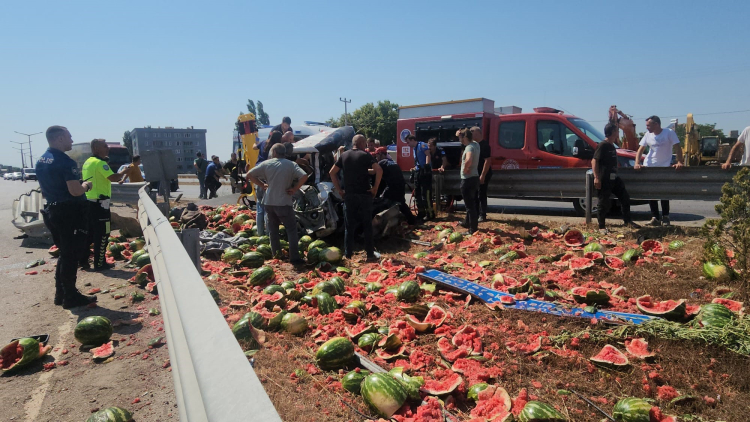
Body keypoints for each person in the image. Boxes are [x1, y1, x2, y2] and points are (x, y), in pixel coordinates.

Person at [36, 126, 97, 308]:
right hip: (70, 213)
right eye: (69, 137)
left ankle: (61, 293)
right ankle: (71, 297)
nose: (71, 141)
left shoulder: (42, 160)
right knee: (71, 255)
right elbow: (75, 191)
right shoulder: (65, 161)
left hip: (53, 211)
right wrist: (86, 185)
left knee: (64, 253)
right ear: (60, 138)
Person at [246, 144, 308, 265]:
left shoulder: (266, 163)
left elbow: (249, 175)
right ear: (284, 152)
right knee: (291, 229)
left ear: (274, 152)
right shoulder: (291, 164)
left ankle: (277, 256)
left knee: (273, 230)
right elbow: (304, 176)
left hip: (269, 202)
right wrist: (295, 189)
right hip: (284, 202)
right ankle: (294, 258)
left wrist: (262, 184)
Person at [330, 135, 383, 261]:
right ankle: (370, 254)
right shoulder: (365, 155)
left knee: (349, 225)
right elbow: (379, 170)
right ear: (362, 143)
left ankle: (348, 254)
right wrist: (375, 188)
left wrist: (339, 190)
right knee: (367, 224)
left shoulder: (344, 156)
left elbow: (332, 172)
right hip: (364, 194)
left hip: (349, 195)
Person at [80, 139, 129, 271]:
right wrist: (124, 172)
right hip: (100, 205)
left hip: (89, 202)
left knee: (89, 233)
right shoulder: (100, 163)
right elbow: (114, 178)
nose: (108, 148)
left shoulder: (88, 162)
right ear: (96, 148)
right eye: (105, 146)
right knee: (103, 234)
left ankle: (83, 261)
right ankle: (100, 263)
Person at [634, 115, 684, 226]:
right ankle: (655, 217)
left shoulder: (669, 132)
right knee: (651, 192)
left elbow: (677, 147)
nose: (647, 128)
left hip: (664, 167)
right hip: (649, 166)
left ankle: (665, 217)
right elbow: (640, 150)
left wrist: (679, 161)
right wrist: (637, 163)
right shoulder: (647, 135)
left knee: (663, 192)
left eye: (648, 125)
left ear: (656, 124)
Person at [593, 123, 642, 234]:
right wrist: (597, 178)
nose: (618, 132)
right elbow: (594, 160)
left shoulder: (612, 145)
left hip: (614, 178)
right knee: (603, 202)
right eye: (617, 131)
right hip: (604, 178)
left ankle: (627, 221)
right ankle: (601, 227)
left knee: (625, 198)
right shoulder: (603, 145)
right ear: (612, 132)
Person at [374, 147, 415, 225]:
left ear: (381, 155)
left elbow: (374, 172)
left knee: (383, 201)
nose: (376, 158)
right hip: (400, 186)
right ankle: (411, 220)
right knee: (401, 203)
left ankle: (384, 223)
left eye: (377, 156)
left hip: (392, 187)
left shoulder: (382, 162)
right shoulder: (392, 161)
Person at [253, 131, 283, 235]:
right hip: (268, 175)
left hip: (257, 174)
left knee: (259, 207)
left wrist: (254, 142)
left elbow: (254, 147)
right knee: (268, 208)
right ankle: (269, 234)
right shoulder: (276, 148)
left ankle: (260, 233)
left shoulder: (263, 143)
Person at [405, 134, 433, 220]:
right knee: (417, 193)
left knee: (425, 194)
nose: (407, 144)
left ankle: (430, 214)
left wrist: (427, 166)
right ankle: (421, 212)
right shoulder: (414, 149)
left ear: (413, 140)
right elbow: (417, 161)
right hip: (418, 172)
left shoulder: (422, 145)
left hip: (425, 172)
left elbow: (428, 155)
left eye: (408, 142)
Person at [460, 129, 481, 234]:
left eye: (461, 138)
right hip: (475, 177)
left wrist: (465, 168)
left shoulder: (469, 147)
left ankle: (472, 229)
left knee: (469, 206)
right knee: (472, 202)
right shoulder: (476, 144)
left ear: (465, 137)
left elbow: (468, 160)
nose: (460, 140)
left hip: (467, 179)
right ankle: (467, 222)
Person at [472, 126, 493, 222]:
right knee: (474, 194)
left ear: (479, 133)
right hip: (475, 173)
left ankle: (482, 215)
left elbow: (487, 161)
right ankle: (475, 214)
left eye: (473, 131)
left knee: (481, 194)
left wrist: (483, 175)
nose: (471, 133)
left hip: (483, 173)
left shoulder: (484, 145)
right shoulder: (473, 145)